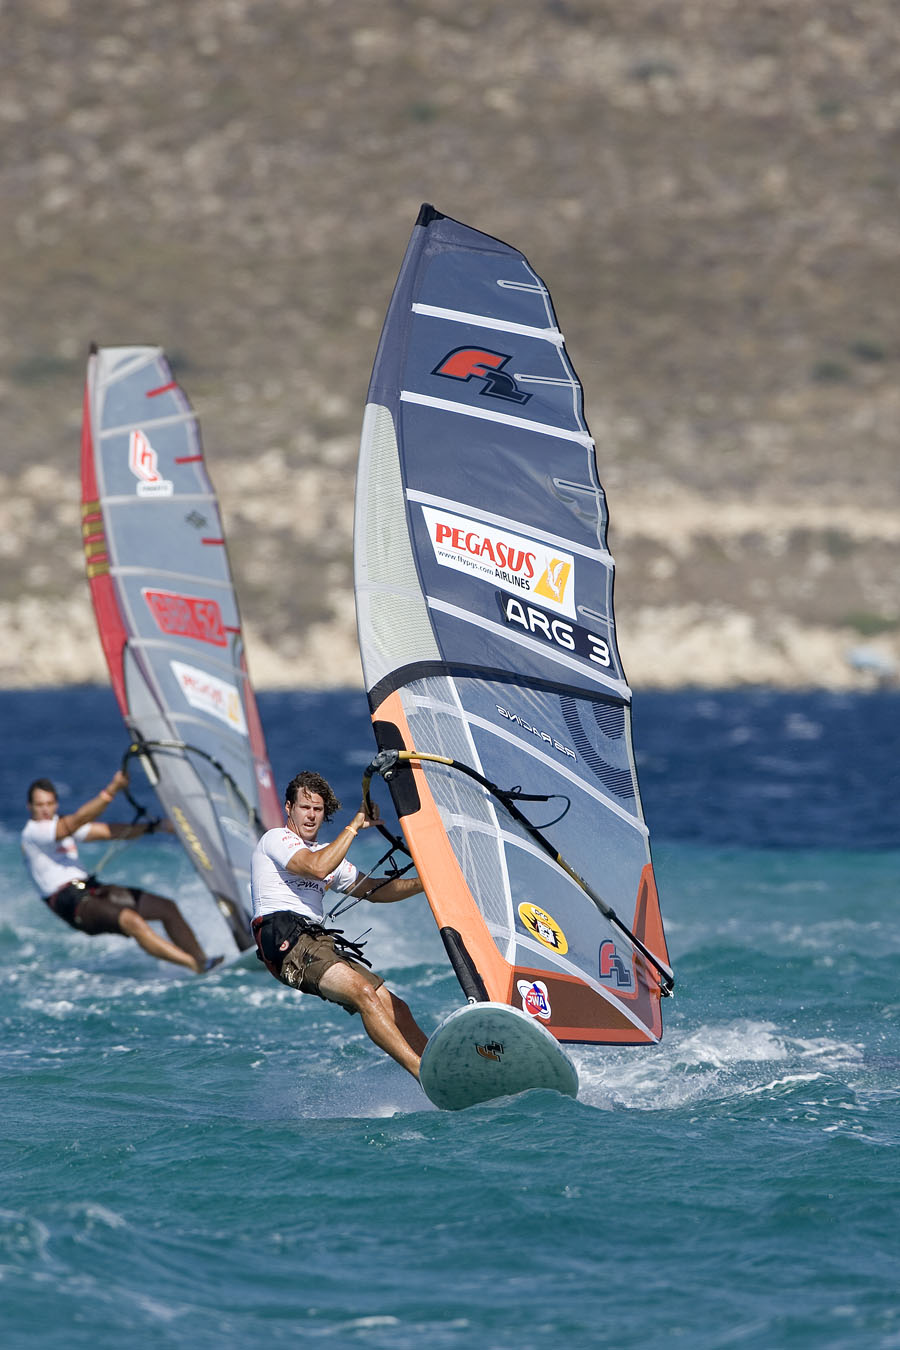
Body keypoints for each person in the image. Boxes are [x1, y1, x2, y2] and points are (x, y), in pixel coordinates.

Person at [251, 770, 428, 1079]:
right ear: (289, 808)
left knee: (395, 1006)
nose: (311, 815)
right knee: (363, 992)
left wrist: (425, 882)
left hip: (315, 940)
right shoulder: (276, 839)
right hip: (282, 938)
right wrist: (354, 825)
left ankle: (438, 1068)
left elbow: (374, 890)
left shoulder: (327, 855)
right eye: (304, 807)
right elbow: (316, 868)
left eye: (317, 809)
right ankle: (421, 1072)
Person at [21, 769, 222, 974]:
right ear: (30, 807)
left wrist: (155, 827)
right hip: (71, 903)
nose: (45, 810)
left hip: (90, 889)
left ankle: (204, 960)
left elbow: (108, 832)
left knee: (166, 908)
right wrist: (112, 789)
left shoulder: (60, 825)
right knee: (132, 921)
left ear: (56, 804)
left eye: (49, 804)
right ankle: (194, 965)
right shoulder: (33, 832)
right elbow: (73, 823)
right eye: (39, 805)